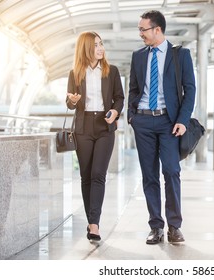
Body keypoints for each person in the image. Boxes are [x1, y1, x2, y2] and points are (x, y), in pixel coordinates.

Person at [128, 10, 196, 244]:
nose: (140, 34)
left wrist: (182, 120)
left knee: (171, 171)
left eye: (143, 29)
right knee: (149, 175)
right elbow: (134, 90)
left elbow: (190, 90)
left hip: (169, 122)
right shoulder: (138, 56)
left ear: (157, 30)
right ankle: (156, 226)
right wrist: (131, 117)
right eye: (139, 30)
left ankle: (174, 226)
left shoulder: (181, 55)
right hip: (143, 121)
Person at [66, 31, 124, 242]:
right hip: (83, 126)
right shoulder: (75, 73)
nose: (101, 48)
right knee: (86, 175)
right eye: (96, 45)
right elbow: (69, 102)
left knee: (98, 174)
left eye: (101, 44)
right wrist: (72, 99)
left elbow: (119, 97)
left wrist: (115, 112)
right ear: (86, 48)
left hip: (104, 125)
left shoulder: (112, 71)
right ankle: (91, 221)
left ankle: (94, 224)